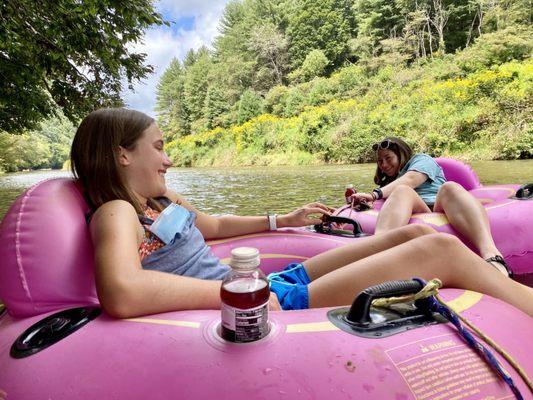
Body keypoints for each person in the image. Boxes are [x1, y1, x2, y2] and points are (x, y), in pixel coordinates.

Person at [70, 109, 533, 318]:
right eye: (159, 148)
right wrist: (237, 296)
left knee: (406, 239)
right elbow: (123, 292)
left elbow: (212, 227)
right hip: (257, 301)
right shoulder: (116, 212)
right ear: (122, 156)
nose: (168, 160)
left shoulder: (162, 203)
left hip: (269, 285)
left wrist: (283, 221)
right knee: (438, 247)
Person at [350, 137, 512, 277]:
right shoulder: (390, 183)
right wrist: (369, 202)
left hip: (440, 204)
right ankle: (377, 258)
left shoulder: (421, 160)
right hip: (418, 208)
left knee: (450, 187)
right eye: (380, 161)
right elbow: (401, 189)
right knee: (401, 191)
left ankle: (492, 255)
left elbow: (411, 179)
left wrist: (374, 195)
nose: (384, 164)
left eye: (388, 158)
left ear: (401, 153)